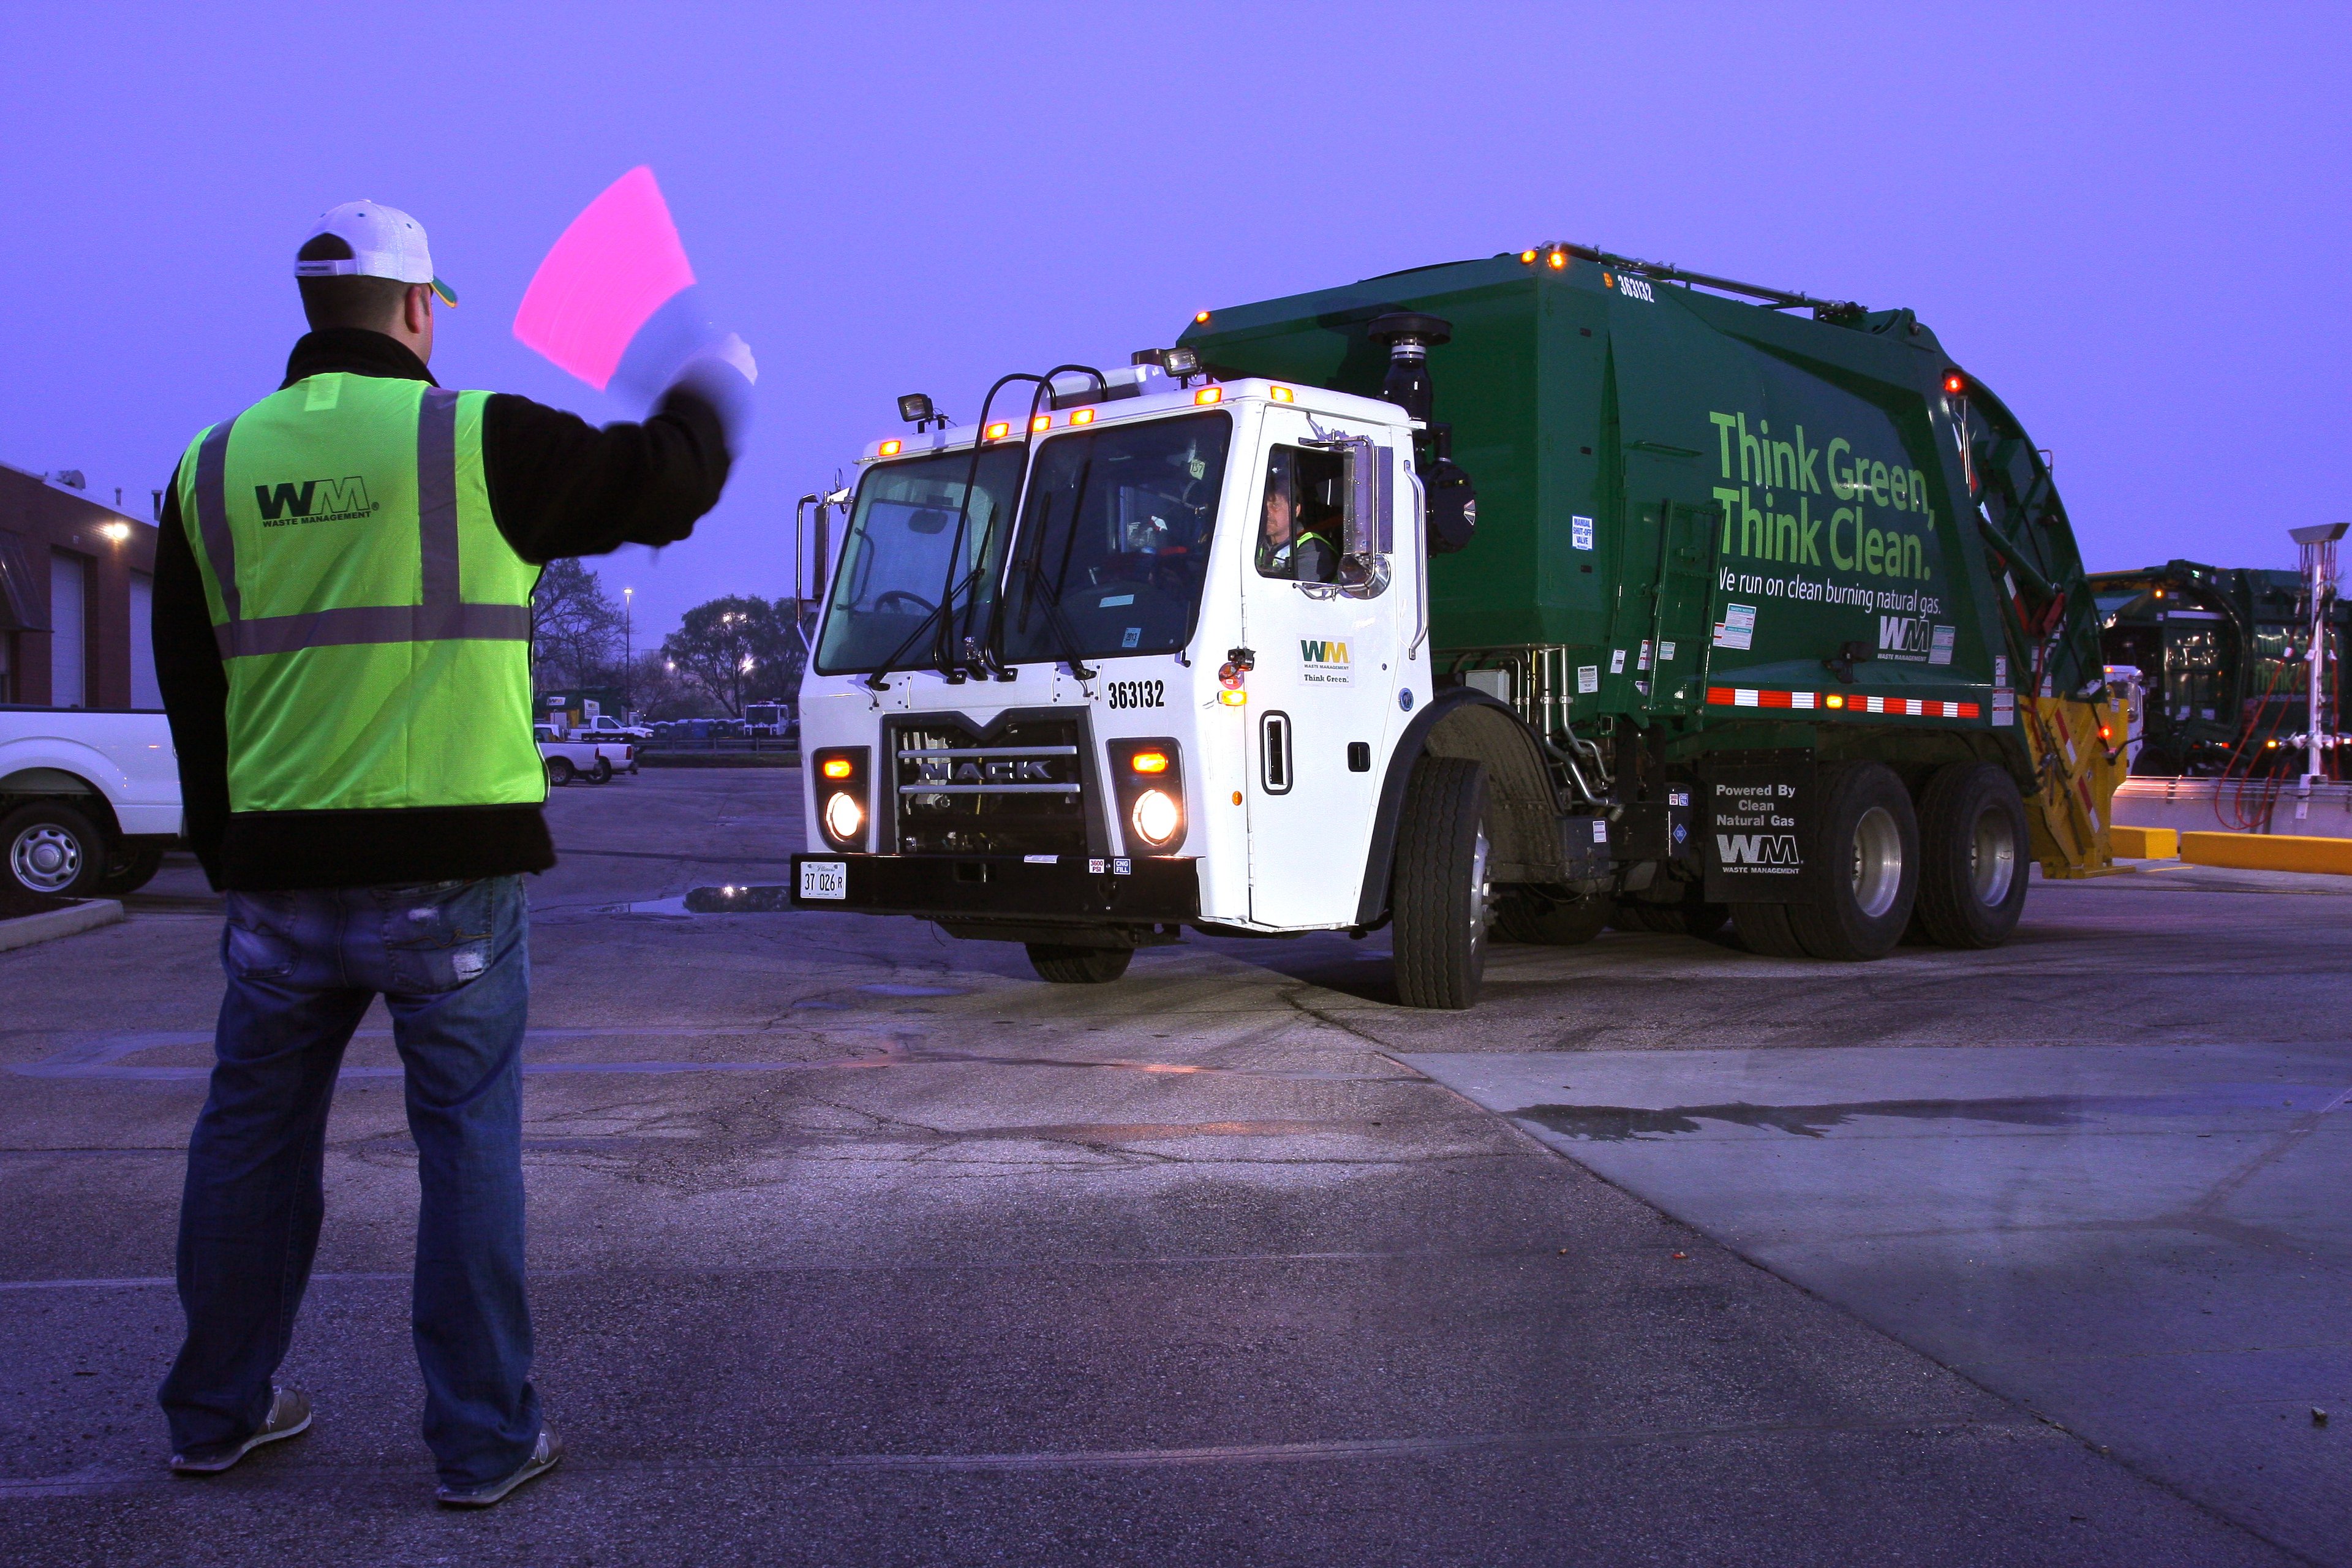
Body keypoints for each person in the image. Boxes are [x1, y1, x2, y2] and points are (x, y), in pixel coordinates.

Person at [151, 200, 749, 1506]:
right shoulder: (479, 440)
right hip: (450, 877)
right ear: (421, 309)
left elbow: (192, 694)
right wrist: (711, 387)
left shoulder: (207, 469)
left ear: (315, 316)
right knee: (466, 1143)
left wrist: (227, 851)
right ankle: (482, 1441)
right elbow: (668, 480)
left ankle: (213, 1412)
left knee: (248, 1139)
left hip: (278, 874)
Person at [1254, 456, 1336, 582]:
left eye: (1275, 505)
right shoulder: (1256, 541)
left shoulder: (1314, 549)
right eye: (1264, 506)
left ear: (1296, 510)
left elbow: (1285, 594)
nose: (1267, 513)